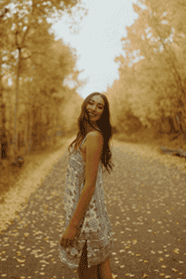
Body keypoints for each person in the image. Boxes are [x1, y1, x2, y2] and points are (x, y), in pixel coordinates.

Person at [59, 92, 115, 279]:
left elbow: (89, 185)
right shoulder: (85, 136)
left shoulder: (93, 137)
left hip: (87, 222)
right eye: (91, 103)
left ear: (104, 113)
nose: (93, 108)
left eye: (100, 106)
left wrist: (73, 227)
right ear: (84, 105)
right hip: (90, 216)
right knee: (102, 272)